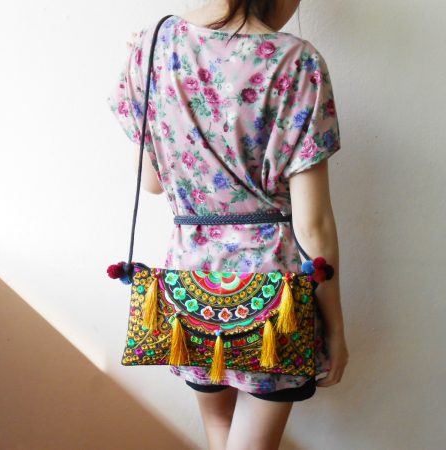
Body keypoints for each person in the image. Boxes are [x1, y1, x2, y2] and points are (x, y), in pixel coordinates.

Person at [106, 1, 349, 448]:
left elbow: (152, 184)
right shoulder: (298, 62)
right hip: (272, 300)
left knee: (220, 434)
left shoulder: (152, 45)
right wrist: (334, 326)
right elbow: (313, 225)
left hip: (189, 292)